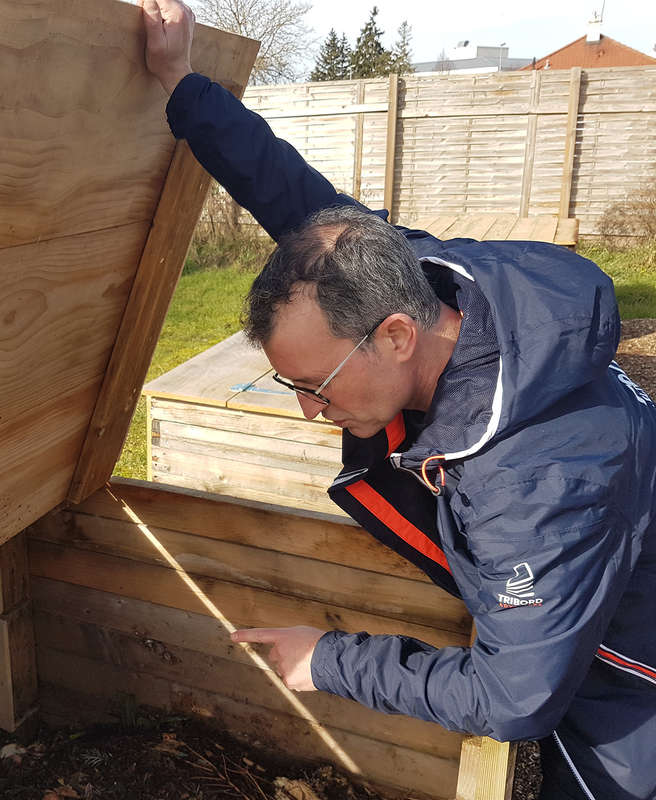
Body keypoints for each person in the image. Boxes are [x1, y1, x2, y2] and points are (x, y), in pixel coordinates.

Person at [139, 2, 656, 798]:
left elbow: (512, 697)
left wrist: (327, 658)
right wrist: (180, 83)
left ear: (395, 338)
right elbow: (287, 193)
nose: (310, 411)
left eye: (315, 385)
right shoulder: (415, 273)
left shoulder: (534, 485)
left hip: (630, 671)